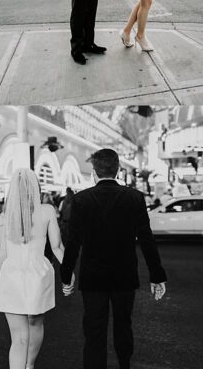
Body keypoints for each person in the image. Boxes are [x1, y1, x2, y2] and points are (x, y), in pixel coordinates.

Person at [60, 148, 167, 369]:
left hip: (93, 277)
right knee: (123, 326)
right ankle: (124, 365)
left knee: (94, 331)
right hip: (124, 275)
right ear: (117, 170)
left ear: (95, 172)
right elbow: (147, 239)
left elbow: (73, 243)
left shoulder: (81, 200)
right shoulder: (134, 198)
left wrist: (66, 274)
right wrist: (157, 275)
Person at [0, 168, 64, 369]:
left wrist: (6, 279)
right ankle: (30, 365)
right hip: (37, 274)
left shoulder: (5, 216)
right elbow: (57, 247)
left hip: (11, 275)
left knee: (18, 339)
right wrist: (69, 273)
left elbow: (2, 255)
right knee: (35, 322)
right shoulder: (47, 211)